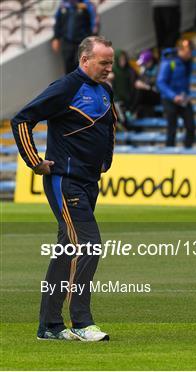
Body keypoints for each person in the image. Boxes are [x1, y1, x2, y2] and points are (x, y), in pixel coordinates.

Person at [11, 36, 116, 341]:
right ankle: (82, 323)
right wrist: (34, 161)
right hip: (64, 181)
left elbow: (109, 126)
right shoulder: (66, 87)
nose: (109, 68)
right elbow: (22, 119)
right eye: (103, 62)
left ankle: (50, 326)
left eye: (110, 62)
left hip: (88, 182)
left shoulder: (105, 91)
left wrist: (106, 160)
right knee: (88, 245)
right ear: (85, 60)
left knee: (66, 251)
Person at [156, 40, 196, 148]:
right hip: (169, 99)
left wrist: (186, 94)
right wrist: (173, 96)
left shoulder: (188, 62)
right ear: (180, 50)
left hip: (183, 98)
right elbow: (160, 82)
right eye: (188, 52)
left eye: (190, 52)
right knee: (172, 128)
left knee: (191, 125)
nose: (190, 55)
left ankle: (188, 149)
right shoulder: (169, 62)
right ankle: (170, 151)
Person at [52, 0, 98, 74]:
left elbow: (94, 24)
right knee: (68, 66)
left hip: (83, 42)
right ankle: (71, 84)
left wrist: (93, 38)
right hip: (67, 42)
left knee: (82, 66)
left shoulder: (87, 5)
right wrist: (56, 38)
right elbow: (58, 22)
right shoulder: (63, 5)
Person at [130, 49, 161, 119]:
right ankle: (131, 110)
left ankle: (131, 111)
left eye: (145, 63)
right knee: (136, 88)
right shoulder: (144, 69)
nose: (143, 65)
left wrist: (145, 85)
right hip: (147, 95)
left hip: (157, 94)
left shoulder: (159, 68)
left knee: (140, 90)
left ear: (150, 61)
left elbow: (157, 83)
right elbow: (141, 80)